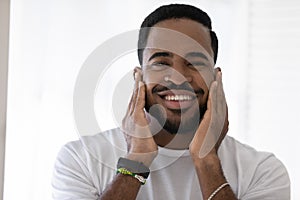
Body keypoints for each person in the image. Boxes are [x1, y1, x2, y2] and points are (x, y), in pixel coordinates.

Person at [52, 4, 290, 200]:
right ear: (139, 76)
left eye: (195, 62)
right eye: (161, 62)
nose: (179, 78)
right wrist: (136, 161)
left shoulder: (263, 171)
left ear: (216, 78)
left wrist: (207, 160)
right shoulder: (79, 159)